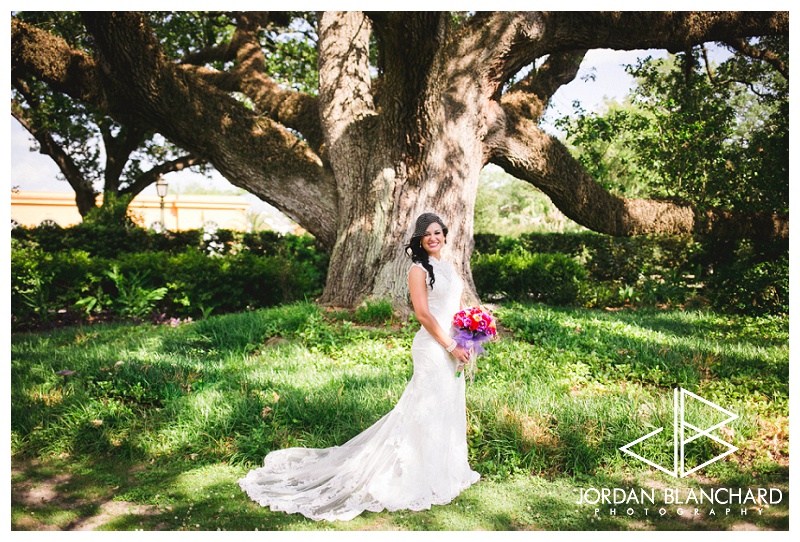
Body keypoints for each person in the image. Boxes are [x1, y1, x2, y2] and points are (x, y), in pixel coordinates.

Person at [238, 212, 480, 521]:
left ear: (445, 235)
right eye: (426, 233)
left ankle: (446, 471)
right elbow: (423, 314)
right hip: (433, 348)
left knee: (446, 407)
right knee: (423, 410)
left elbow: (457, 310)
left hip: (453, 346)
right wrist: (450, 345)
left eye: (437, 232)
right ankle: (417, 474)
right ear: (420, 240)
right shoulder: (418, 270)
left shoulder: (450, 268)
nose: (433, 237)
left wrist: (471, 335)